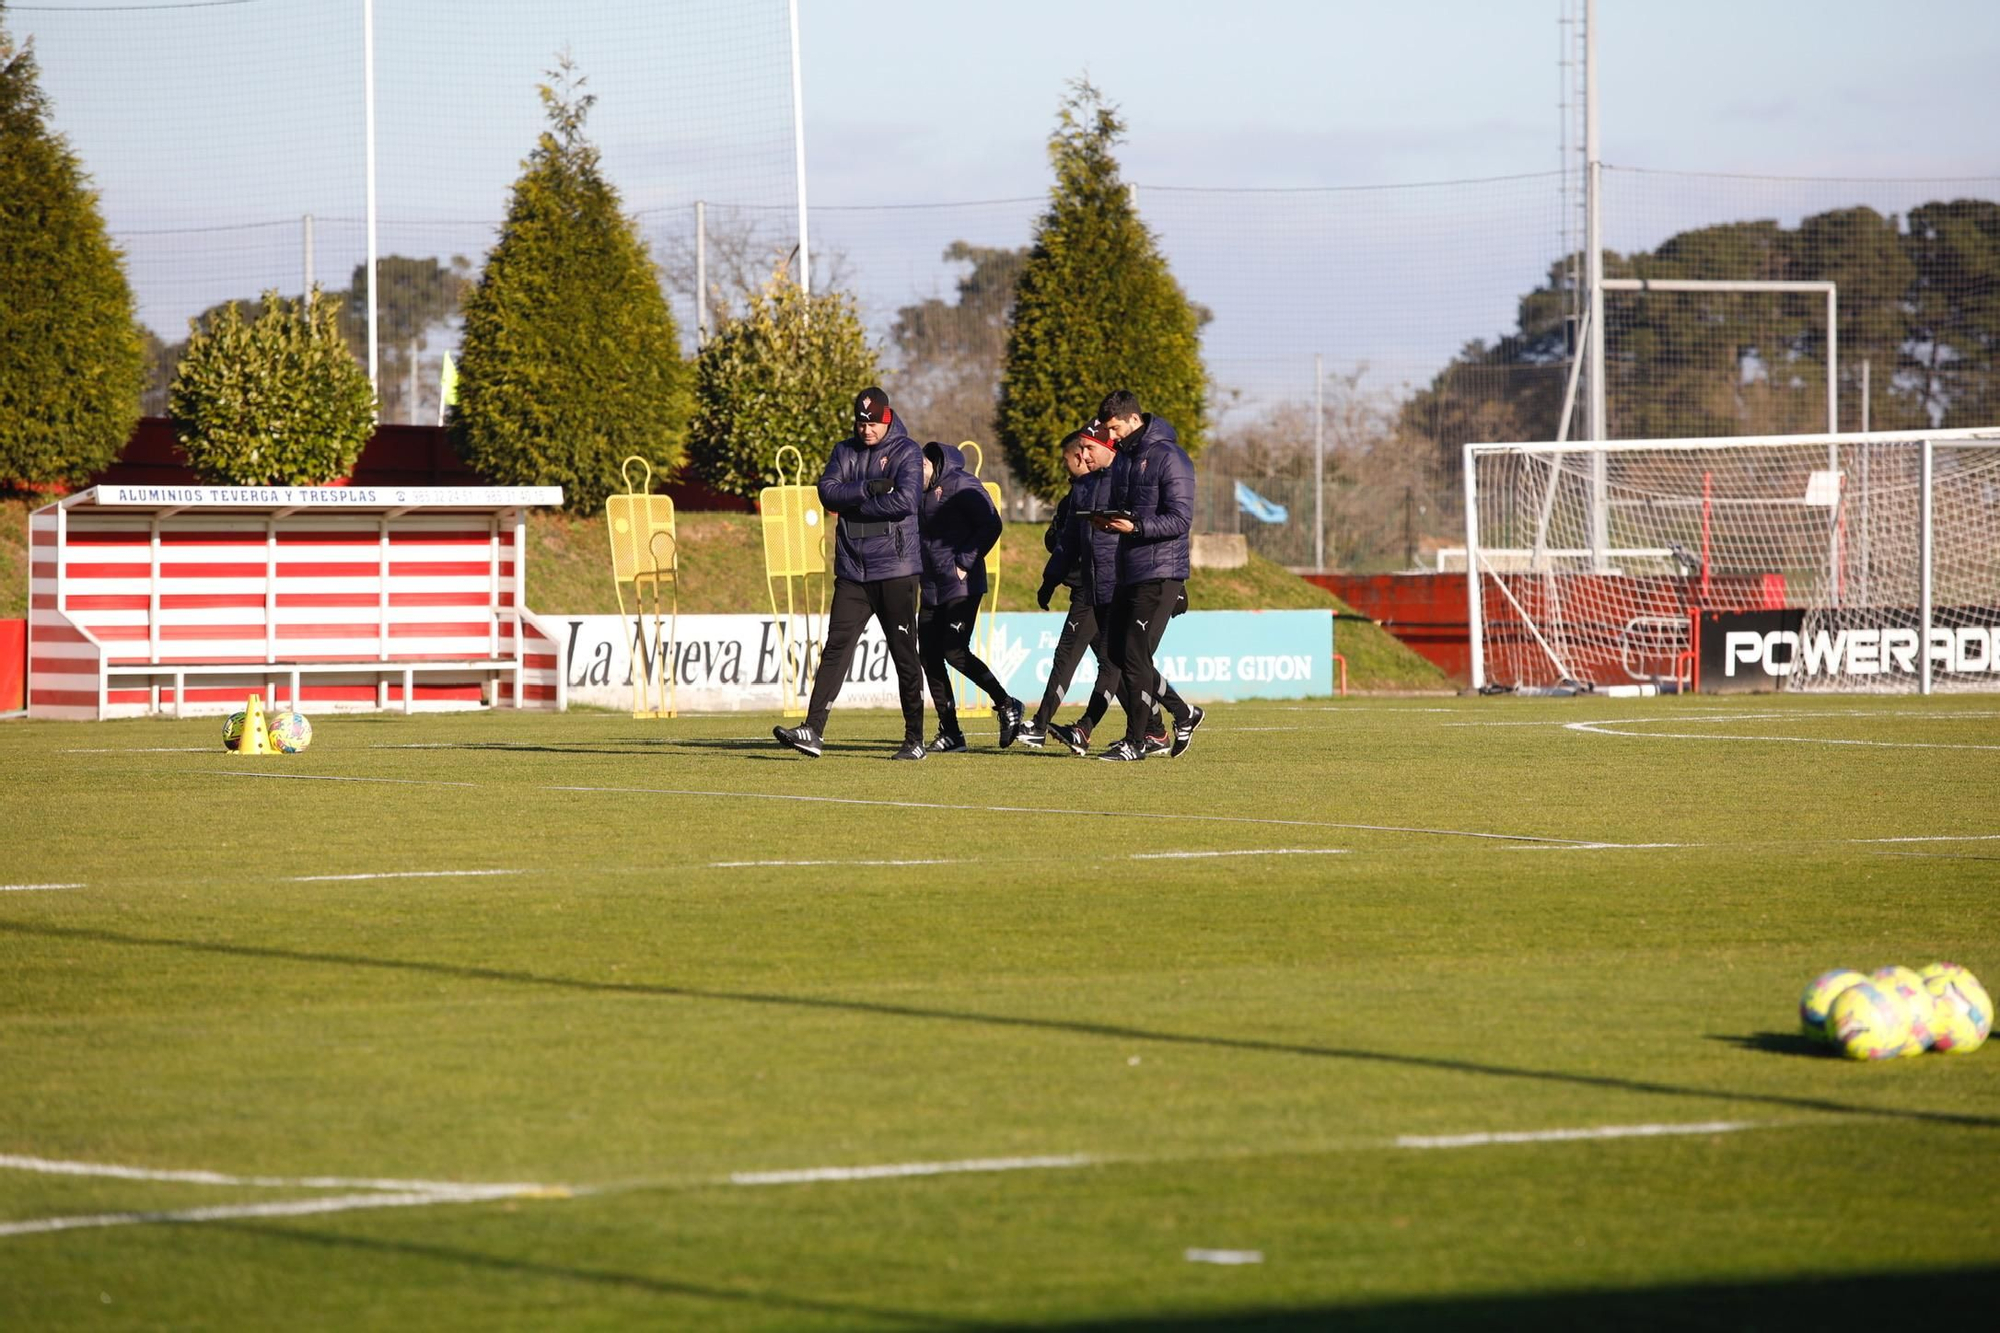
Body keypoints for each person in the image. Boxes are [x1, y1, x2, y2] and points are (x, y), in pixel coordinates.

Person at [773, 387, 928, 760]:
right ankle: (812, 730)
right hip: (853, 570)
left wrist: (853, 503)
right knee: (836, 648)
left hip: (896, 569)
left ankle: (914, 741)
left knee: (904, 653)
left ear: (886, 417)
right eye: (861, 423)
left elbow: (906, 501)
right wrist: (870, 489)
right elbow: (827, 492)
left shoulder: (907, 451)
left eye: (872, 422)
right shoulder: (844, 451)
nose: (866, 430)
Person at [1021, 427, 1180, 756]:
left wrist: (1173, 583)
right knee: (1115, 663)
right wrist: (1050, 579)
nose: (1082, 456)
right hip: (1092, 587)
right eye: (1080, 451)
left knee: (1122, 663)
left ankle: (1166, 720)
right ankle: (1154, 729)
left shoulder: (1130, 479)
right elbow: (1065, 543)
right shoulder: (1083, 487)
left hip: (1124, 586)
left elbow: (1160, 528)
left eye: (1087, 450)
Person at [1090, 389, 1205, 762]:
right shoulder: (1124, 458)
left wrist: (1135, 526)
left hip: (1161, 571)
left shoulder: (1170, 457)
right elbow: (1130, 511)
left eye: (1115, 428)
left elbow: (1180, 519)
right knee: (1115, 653)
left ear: (1134, 419)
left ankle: (1137, 742)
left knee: (1135, 657)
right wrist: (1110, 521)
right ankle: (1183, 712)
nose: (1111, 437)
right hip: (1130, 568)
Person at [915, 440, 1024, 751]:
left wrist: (964, 562)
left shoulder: (961, 482)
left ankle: (1006, 703)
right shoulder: (918, 490)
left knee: (954, 651)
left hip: (962, 586)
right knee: (930, 657)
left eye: (914, 469)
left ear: (926, 464)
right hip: (931, 586)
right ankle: (951, 732)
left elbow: (991, 524)